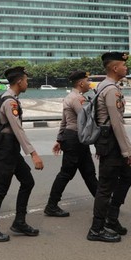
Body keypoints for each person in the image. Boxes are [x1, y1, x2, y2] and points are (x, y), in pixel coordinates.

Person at [0, 66, 44, 242]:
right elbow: (18, 130)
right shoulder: (10, 102)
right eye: (26, 80)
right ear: (19, 81)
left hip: (10, 148)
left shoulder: (6, 98)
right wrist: (33, 154)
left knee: (27, 181)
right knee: (0, 189)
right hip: (6, 148)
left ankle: (19, 221)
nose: (27, 83)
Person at [87, 52, 131, 243]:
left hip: (109, 140)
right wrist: (128, 152)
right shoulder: (111, 90)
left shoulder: (104, 86)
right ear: (115, 68)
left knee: (127, 176)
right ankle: (96, 228)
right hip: (111, 142)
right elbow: (117, 123)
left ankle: (111, 218)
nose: (126, 68)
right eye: (124, 65)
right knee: (105, 187)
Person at [45, 70, 98, 217]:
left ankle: (103, 202)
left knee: (88, 173)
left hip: (73, 138)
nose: (89, 83)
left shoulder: (72, 97)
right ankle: (51, 205)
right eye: (88, 81)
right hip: (75, 139)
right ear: (81, 83)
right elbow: (87, 118)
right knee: (67, 173)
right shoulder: (77, 99)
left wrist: (59, 139)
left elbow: (64, 121)